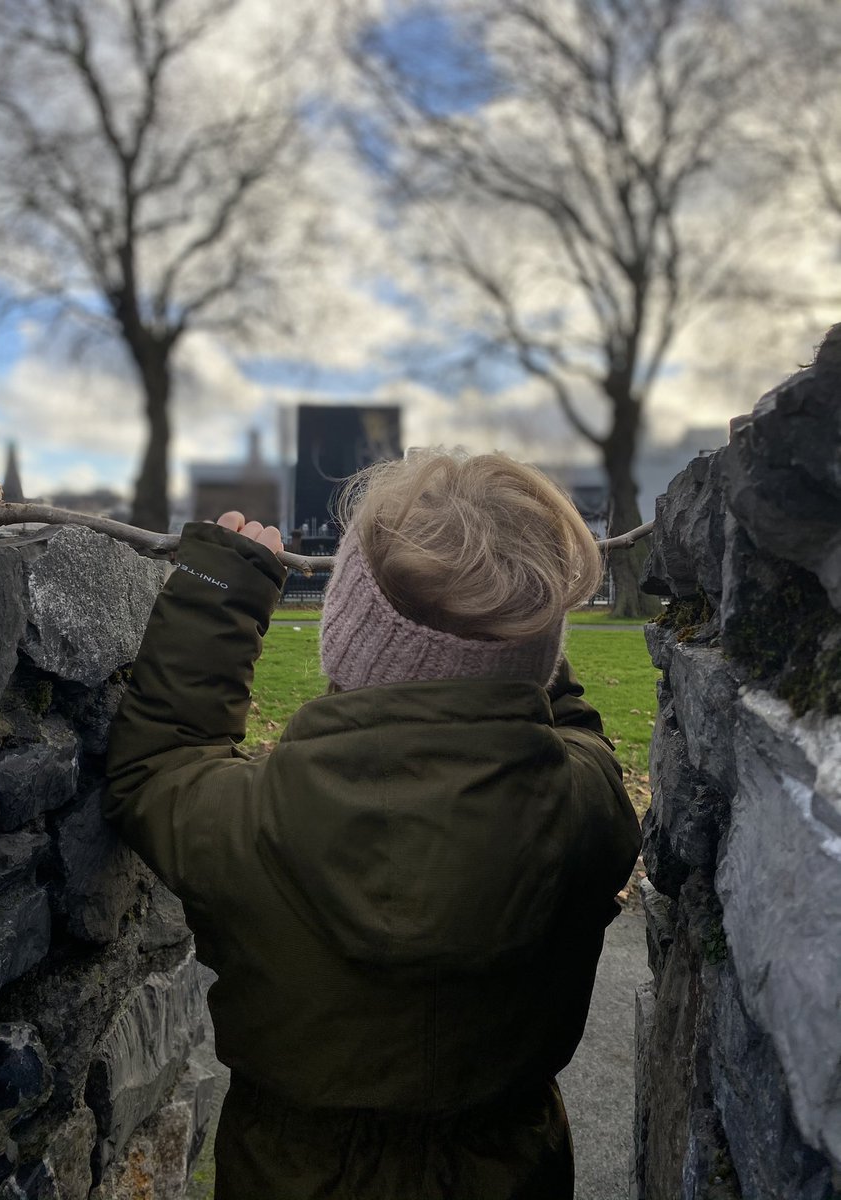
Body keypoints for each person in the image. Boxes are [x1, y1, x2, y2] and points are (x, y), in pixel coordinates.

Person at [105, 448, 641, 1200]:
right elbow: (579, 731)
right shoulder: (589, 810)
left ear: (350, 628)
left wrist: (218, 593)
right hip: (512, 1167)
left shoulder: (248, 824)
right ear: (538, 651)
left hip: (291, 1173)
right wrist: (518, 632)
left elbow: (156, 765)